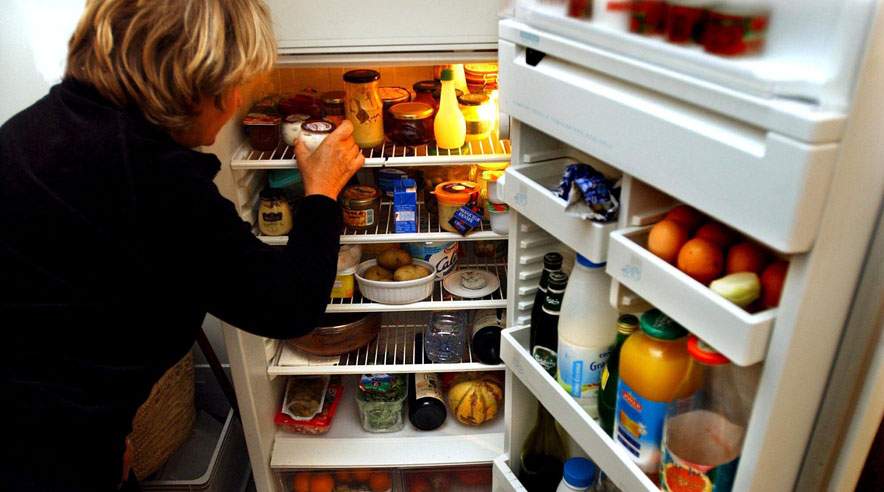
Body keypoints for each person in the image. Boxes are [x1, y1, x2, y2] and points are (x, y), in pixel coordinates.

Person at [0, 1, 364, 490]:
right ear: (189, 85)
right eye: (230, 86)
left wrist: (96, 430)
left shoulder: (30, 128)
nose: (236, 101)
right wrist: (321, 191)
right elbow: (290, 306)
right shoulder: (154, 182)